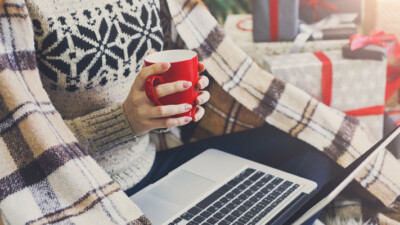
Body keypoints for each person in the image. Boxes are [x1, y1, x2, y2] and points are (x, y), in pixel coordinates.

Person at [3, 0, 392, 224]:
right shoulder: (15, 9)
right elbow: (12, 149)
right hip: (81, 193)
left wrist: (203, 90)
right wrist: (123, 122)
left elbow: (195, 49)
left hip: (157, 164)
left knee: (319, 151)